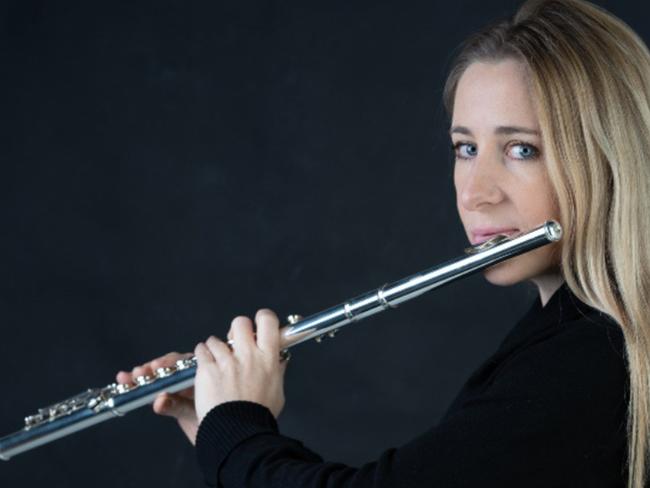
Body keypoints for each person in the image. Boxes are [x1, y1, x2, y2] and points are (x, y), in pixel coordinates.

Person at [117, 0, 650, 486]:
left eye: (522, 150)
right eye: (465, 148)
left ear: (610, 160)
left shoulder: (592, 356)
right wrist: (218, 425)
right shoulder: (566, 335)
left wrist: (238, 428)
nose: (476, 194)